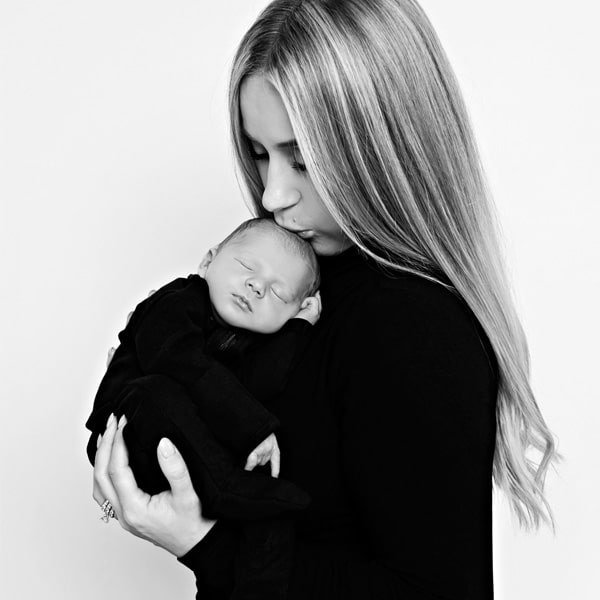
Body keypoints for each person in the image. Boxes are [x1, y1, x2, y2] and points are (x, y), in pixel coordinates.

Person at [91, 1, 559, 598]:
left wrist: (207, 545)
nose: (272, 194)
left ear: (387, 149)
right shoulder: (297, 285)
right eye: (260, 154)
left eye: (303, 160)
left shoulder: (410, 326)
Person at [87, 218, 322, 597]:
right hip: (134, 430)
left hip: (195, 462)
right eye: (247, 267)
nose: (257, 287)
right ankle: (226, 487)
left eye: (279, 294)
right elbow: (178, 360)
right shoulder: (178, 299)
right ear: (209, 260)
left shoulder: (253, 342)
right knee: (158, 391)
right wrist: (252, 427)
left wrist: (298, 329)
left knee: (275, 508)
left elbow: (261, 384)